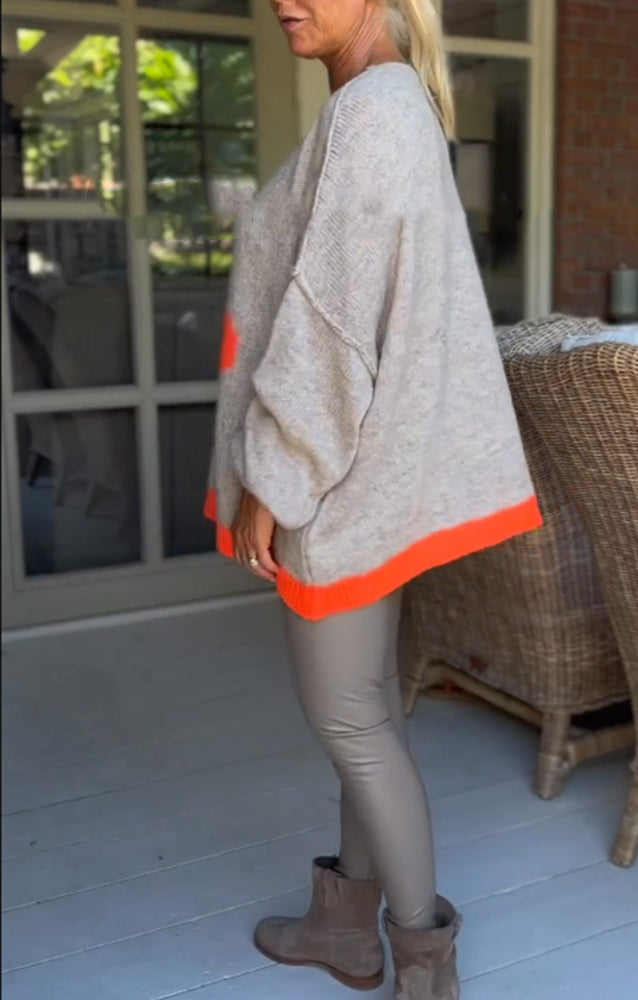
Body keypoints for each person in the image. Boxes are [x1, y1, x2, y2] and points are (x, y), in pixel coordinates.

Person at [204, 1, 542, 996]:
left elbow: (331, 332)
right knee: (366, 714)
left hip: (338, 482)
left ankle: (423, 966)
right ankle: (343, 928)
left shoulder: (374, 112)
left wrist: (274, 476)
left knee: (351, 721)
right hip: (361, 472)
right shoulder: (385, 103)